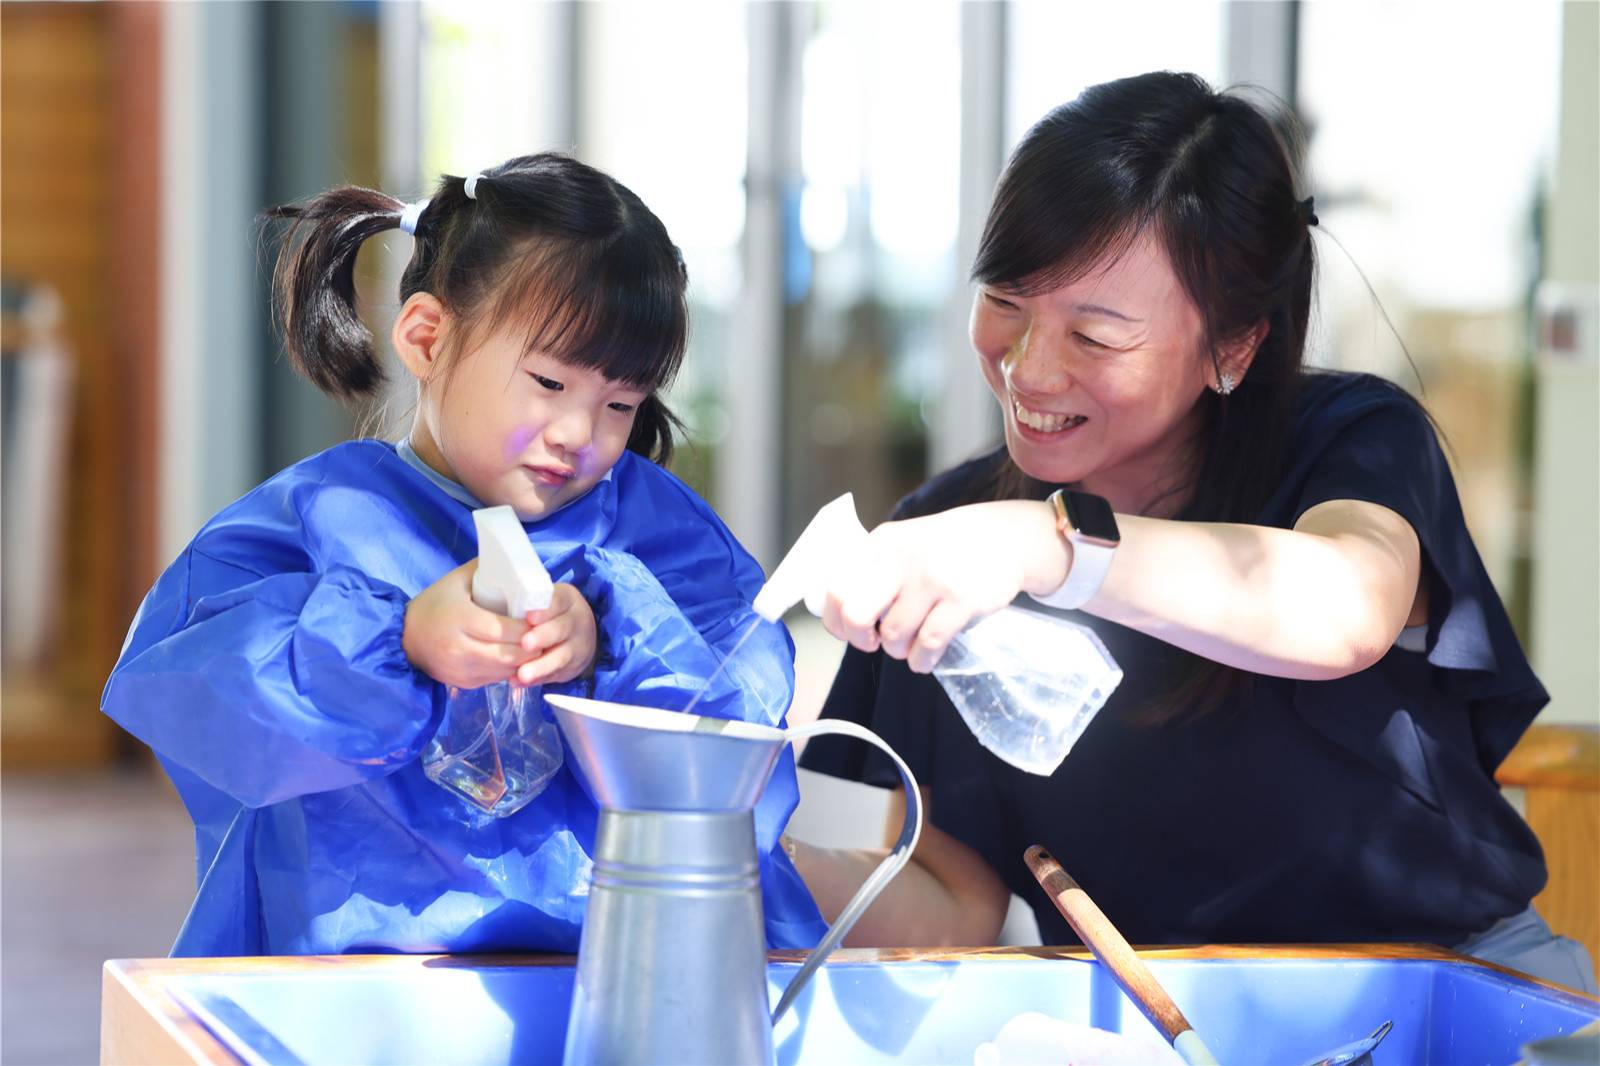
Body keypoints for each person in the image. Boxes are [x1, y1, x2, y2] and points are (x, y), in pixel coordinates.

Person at [796, 72, 1595, 993]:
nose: (1028, 369)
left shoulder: (1349, 441)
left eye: (1095, 338)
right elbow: (953, 895)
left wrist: (1050, 548)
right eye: (1007, 302)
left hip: (1443, 985)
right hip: (1156, 1013)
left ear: (1235, 346)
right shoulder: (950, 540)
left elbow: (1343, 608)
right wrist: (693, 844)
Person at [102, 153, 824, 957]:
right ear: (426, 336)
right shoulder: (318, 520)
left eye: (620, 402)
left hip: (623, 971)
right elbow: (202, 694)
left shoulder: (659, 538)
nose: (581, 434)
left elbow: (735, 736)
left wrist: (613, 635)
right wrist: (396, 639)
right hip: (363, 996)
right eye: (549, 383)